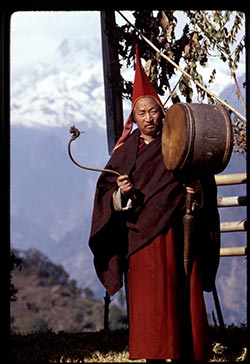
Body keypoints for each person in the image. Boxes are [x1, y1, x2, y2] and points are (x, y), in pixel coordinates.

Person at [88, 44, 220, 363]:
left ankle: (185, 351)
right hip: (139, 240)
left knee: (179, 298)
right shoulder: (124, 152)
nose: (148, 118)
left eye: (153, 111)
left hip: (176, 235)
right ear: (133, 117)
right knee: (150, 305)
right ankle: (153, 354)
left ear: (163, 111)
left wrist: (193, 192)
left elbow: (201, 181)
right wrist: (121, 195)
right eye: (141, 113)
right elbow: (106, 194)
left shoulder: (179, 142)